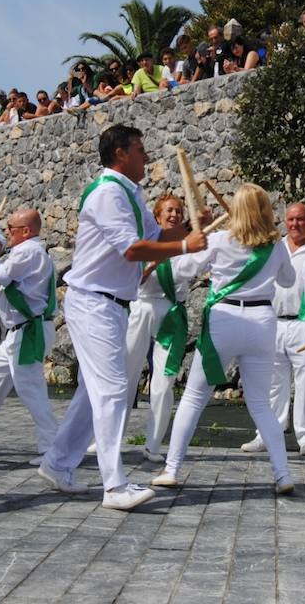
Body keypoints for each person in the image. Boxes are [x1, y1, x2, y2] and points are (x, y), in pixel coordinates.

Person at [38, 125, 207, 511]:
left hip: (111, 303)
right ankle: (114, 484)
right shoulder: (107, 194)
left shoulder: (129, 193)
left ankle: (57, 462)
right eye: (139, 149)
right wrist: (186, 243)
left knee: (93, 392)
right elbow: (133, 251)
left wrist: (188, 229)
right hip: (93, 302)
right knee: (114, 389)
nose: (146, 157)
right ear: (119, 154)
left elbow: (157, 238)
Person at [152, 183, 297, 493]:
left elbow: (181, 270)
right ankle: (283, 474)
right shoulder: (277, 245)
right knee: (261, 404)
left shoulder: (219, 240)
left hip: (225, 320)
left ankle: (172, 469)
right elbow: (289, 280)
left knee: (193, 397)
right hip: (262, 322)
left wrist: (195, 238)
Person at [0, 208, 60, 460]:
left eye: (11, 228)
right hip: (18, 331)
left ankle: (52, 446)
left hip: (28, 330)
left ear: (26, 231)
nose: (8, 232)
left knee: (30, 387)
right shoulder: (29, 251)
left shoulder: (27, 251)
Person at [240, 202, 305, 457]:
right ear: (284, 221)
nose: (295, 224)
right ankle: (267, 433)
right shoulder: (275, 248)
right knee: (272, 383)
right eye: (291, 219)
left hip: (304, 323)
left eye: (300, 219)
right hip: (274, 322)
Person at [120, 194, 190, 464]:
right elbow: (130, 274)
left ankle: (153, 444)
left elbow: (189, 271)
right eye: (170, 211)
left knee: (164, 382)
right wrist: (149, 266)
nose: (175, 214)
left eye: (179, 211)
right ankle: (108, 438)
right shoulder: (147, 242)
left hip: (170, 313)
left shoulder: (186, 246)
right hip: (141, 308)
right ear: (158, 216)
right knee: (126, 377)